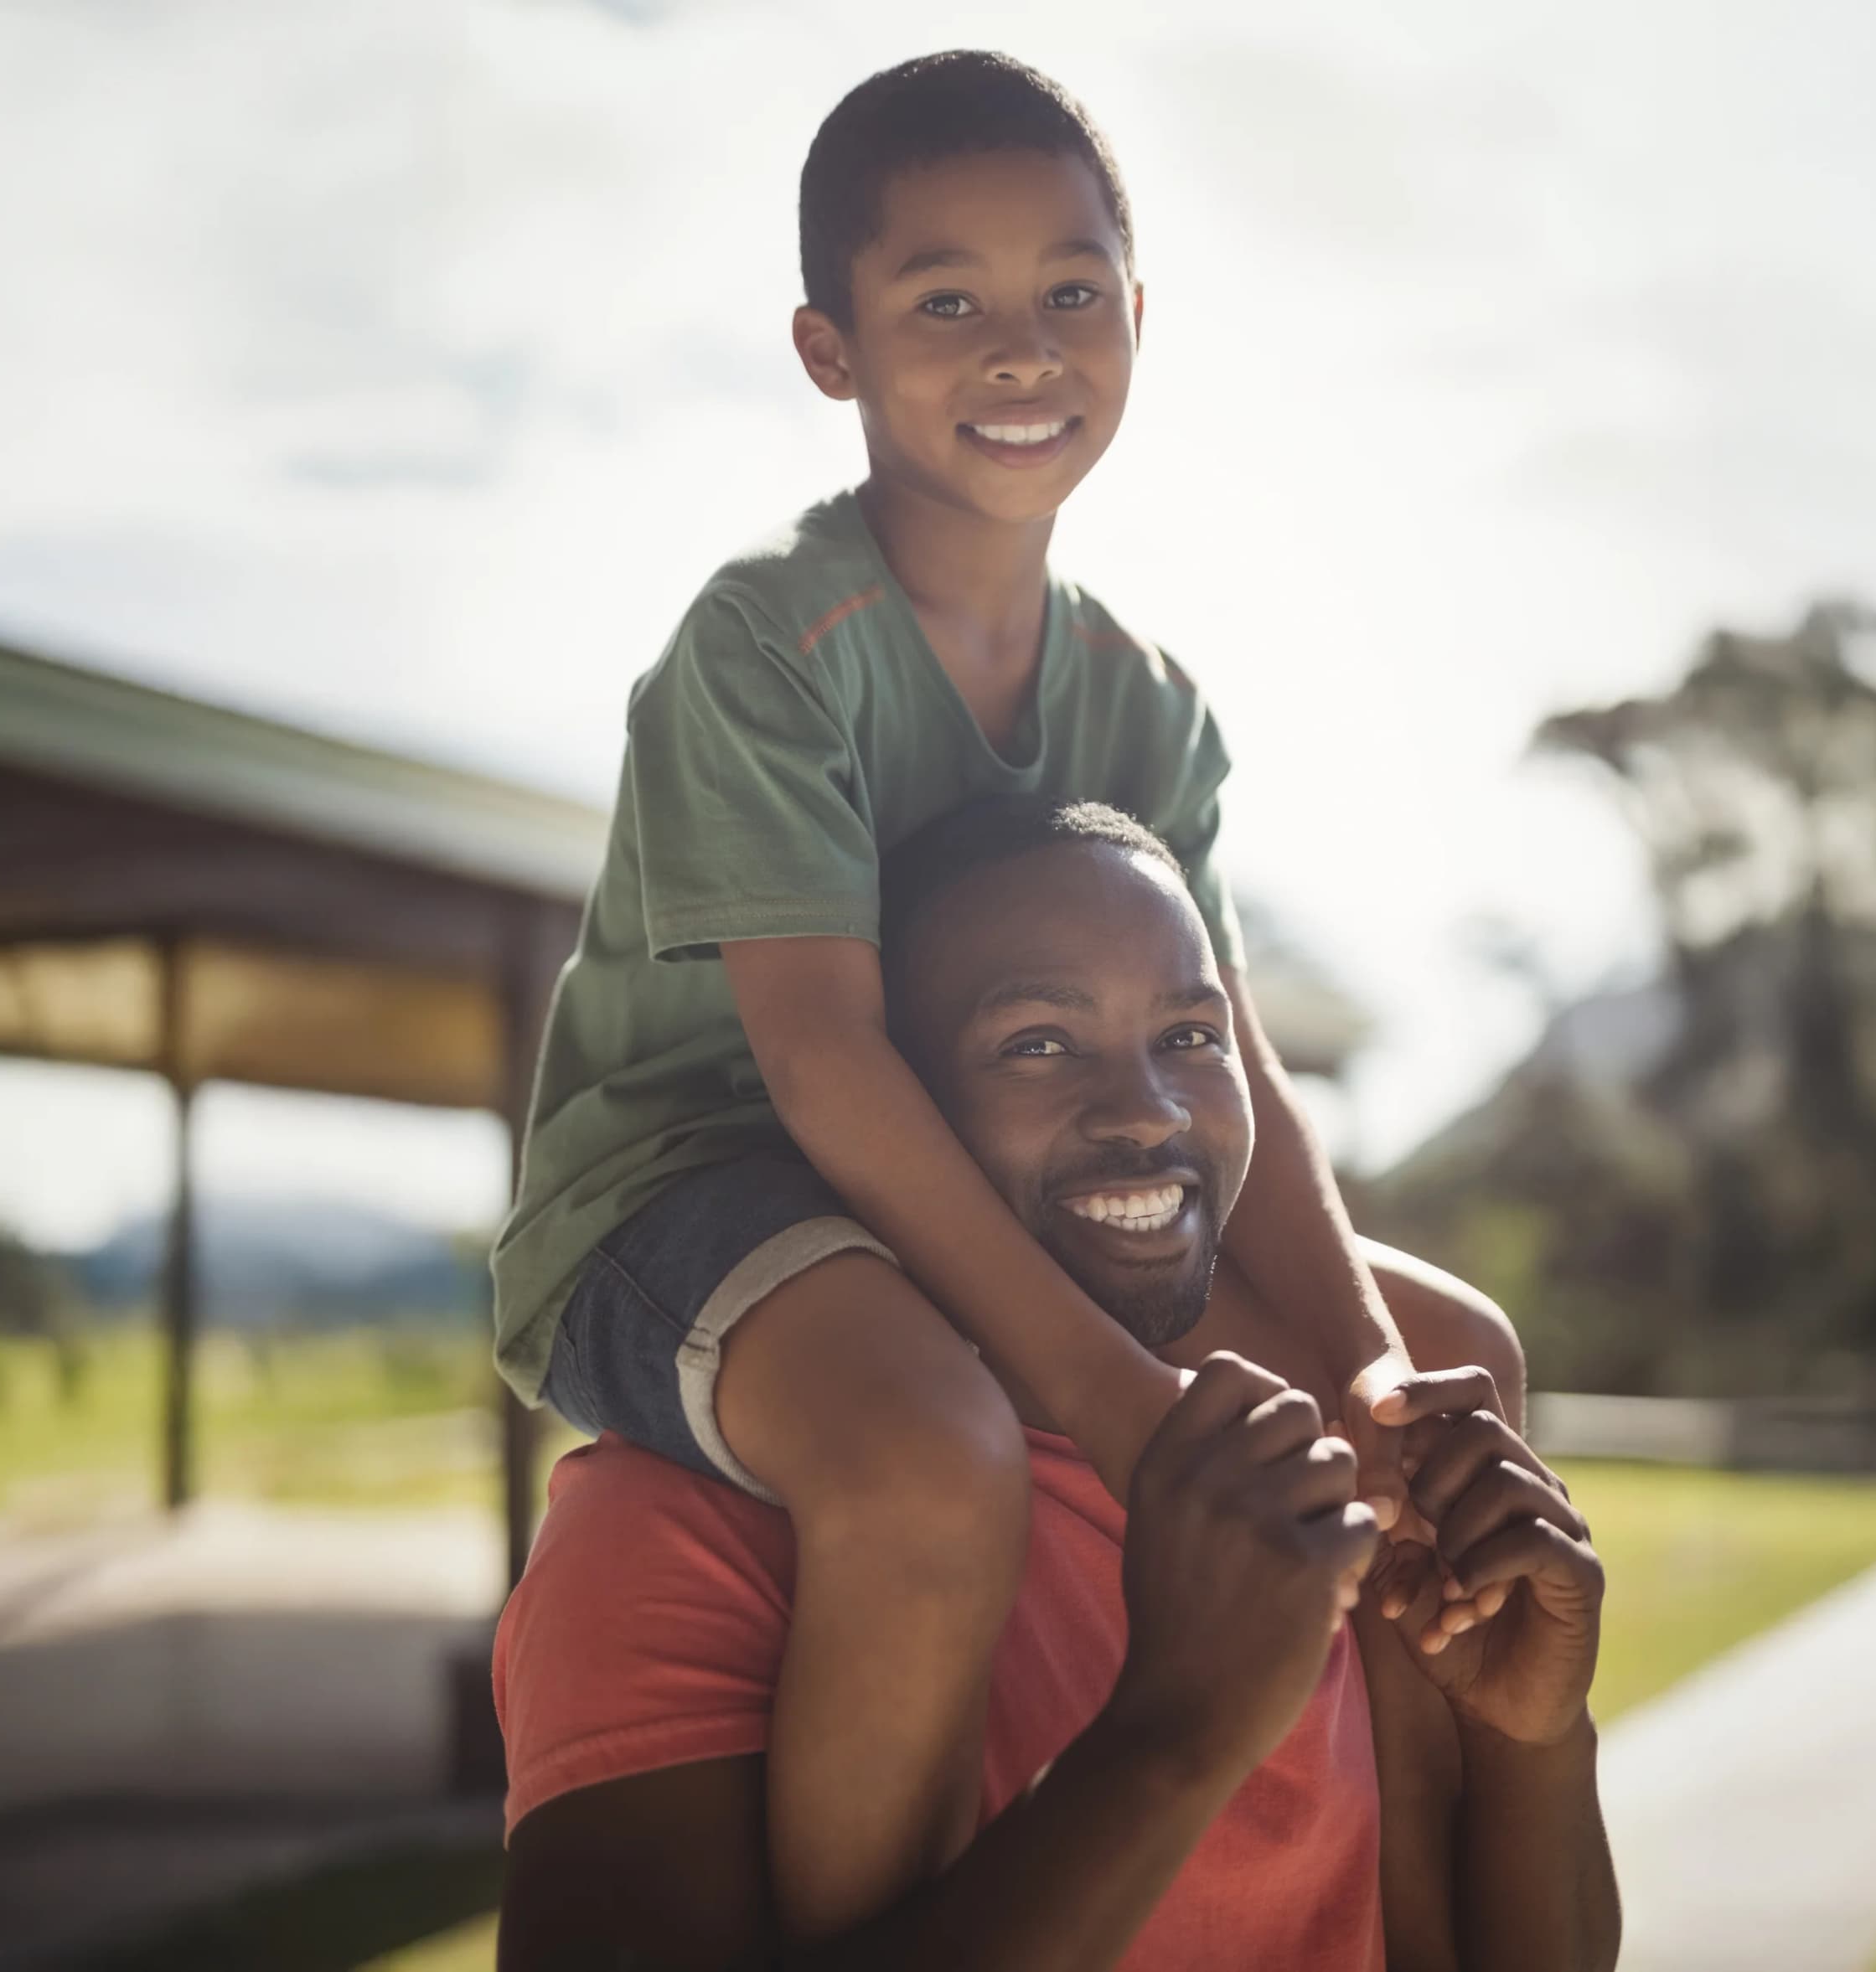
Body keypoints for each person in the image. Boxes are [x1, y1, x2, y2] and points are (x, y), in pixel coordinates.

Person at [490, 50, 1512, 1941]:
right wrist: (1126, 1414)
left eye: (1069, 290)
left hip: (950, 1150)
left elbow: (1233, 1057)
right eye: (942, 301)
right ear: (830, 350)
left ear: (1139, 316)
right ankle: (865, 1925)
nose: (1020, 347)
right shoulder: (768, 644)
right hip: (692, 1195)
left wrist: (1364, 1353)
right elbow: (821, 1058)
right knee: (935, 1455)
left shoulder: (1147, 697)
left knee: (1472, 1353)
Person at [493, 799, 1620, 1970]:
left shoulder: (1331, 1478)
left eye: (1191, 1035)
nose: (1149, 1110)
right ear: (898, 1117)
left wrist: (1531, 1739)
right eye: (1036, 1041)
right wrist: (1176, 1731)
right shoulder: (684, 1523)